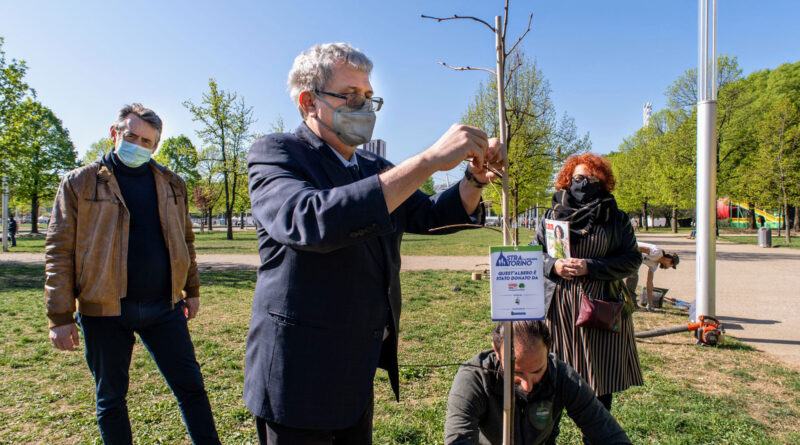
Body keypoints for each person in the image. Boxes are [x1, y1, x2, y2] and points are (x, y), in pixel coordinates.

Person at [244, 42, 504, 444]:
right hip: (296, 375)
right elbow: (309, 219)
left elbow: (431, 214)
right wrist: (428, 160)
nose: (363, 107)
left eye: (368, 97)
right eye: (349, 96)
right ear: (309, 102)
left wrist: (474, 178)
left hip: (354, 370)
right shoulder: (277, 153)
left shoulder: (373, 168)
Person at [45, 104, 220, 444]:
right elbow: (59, 250)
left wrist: (192, 289)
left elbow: (186, 240)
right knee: (111, 400)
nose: (137, 145)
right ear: (115, 134)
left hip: (164, 308)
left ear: (155, 146)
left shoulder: (172, 183)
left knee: (192, 390)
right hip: (104, 311)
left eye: (147, 141)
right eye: (131, 137)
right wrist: (59, 315)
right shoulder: (79, 183)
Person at [533, 153, 643, 442]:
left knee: (598, 390)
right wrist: (553, 265)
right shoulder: (551, 215)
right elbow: (534, 257)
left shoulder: (616, 218)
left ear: (603, 183)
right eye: (579, 178)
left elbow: (632, 260)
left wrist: (590, 266)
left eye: (592, 180)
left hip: (599, 312)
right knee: (550, 382)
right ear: (568, 180)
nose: (584, 184)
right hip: (557, 311)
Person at [444, 321, 631, 444]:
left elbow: (607, 432)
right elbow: (458, 437)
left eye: (537, 371)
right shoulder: (475, 376)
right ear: (496, 351)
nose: (527, 385)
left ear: (549, 349)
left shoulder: (562, 376)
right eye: (516, 372)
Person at [625, 242, 680, 311]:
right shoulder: (657, 253)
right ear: (670, 260)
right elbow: (640, 248)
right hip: (626, 248)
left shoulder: (654, 265)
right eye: (670, 266)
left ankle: (628, 303)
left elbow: (649, 282)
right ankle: (632, 306)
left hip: (629, 257)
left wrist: (650, 303)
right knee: (633, 276)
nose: (668, 267)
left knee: (633, 275)